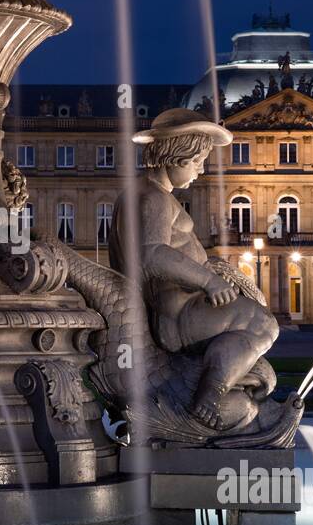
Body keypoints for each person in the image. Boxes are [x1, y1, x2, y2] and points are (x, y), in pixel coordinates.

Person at [110, 107, 279, 428]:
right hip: (177, 315)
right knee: (263, 324)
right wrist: (208, 282)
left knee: (256, 320)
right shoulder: (153, 198)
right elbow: (153, 254)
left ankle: (215, 385)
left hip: (178, 309)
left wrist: (212, 268)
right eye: (198, 161)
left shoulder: (146, 194)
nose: (201, 170)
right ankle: (210, 394)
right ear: (176, 155)